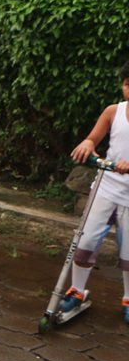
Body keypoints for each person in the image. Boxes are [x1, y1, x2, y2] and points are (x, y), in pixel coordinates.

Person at [57, 62, 129, 323]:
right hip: (105, 187)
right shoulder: (114, 111)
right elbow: (93, 138)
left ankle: (128, 297)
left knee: (128, 252)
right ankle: (77, 289)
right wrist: (87, 145)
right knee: (85, 241)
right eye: (126, 84)